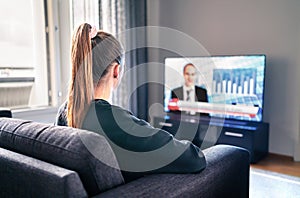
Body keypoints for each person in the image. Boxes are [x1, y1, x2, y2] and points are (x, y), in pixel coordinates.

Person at [55, 23, 206, 182]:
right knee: (229, 153)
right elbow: (194, 158)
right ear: (116, 70)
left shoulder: (65, 112)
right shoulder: (116, 122)